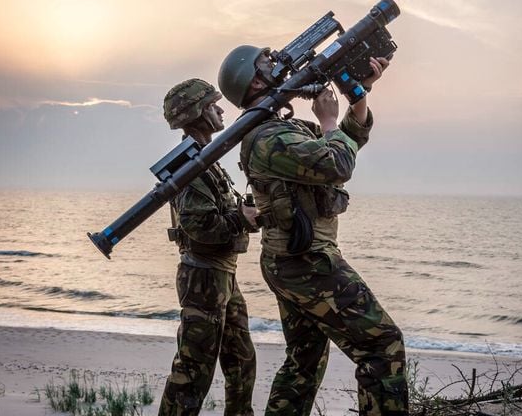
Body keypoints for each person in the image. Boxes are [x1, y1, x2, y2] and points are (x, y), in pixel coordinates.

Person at [218, 47, 408, 415]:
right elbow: (336, 162)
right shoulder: (269, 138)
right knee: (382, 346)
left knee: (304, 360)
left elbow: (346, 142)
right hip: (305, 262)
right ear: (255, 81)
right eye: (267, 65)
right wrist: (328, 121)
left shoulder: (279, 130)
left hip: (292, 259)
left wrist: (359, 96)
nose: (278, 67)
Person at [158, 78, 257, 416]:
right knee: (192, 374)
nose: (221, 108)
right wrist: (242, 219)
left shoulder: (205, 160)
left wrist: (243, 216)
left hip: (222, 275)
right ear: (198, 113)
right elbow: (199, 226)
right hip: (203, 278)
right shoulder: (191, 167)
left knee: (242, 363)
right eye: (214, 104)